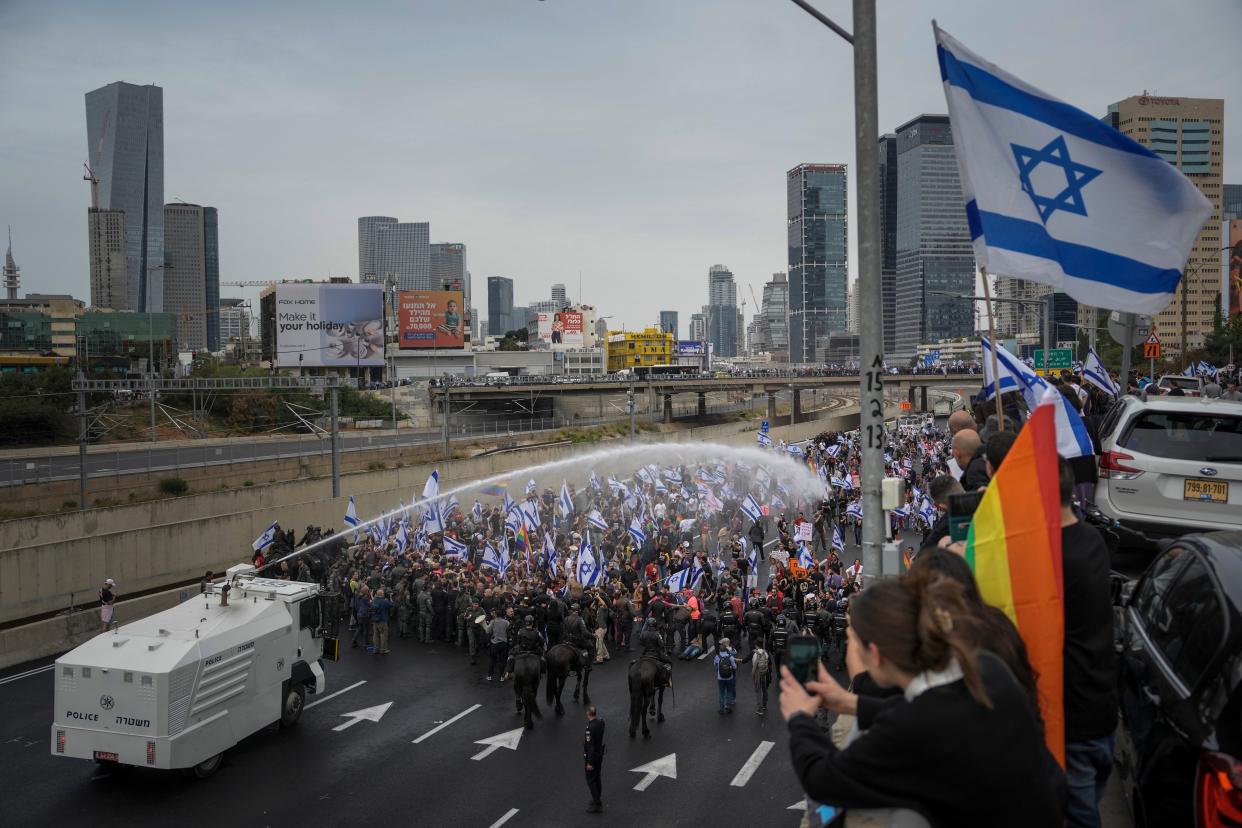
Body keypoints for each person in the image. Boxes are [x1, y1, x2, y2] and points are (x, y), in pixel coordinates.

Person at [780, 572, 1061, 827]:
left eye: (853, 638)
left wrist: (799, 719)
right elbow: (930, 712)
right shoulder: (987, 668)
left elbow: (823, 779)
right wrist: (848, 702)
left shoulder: (909, 728)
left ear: (875, 654)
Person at [1058, 457, 1118, 828]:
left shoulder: (1052, 557)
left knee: (1081, 818)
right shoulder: (1091, 539)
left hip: (1072, 720)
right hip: (1102, 709)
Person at [583, 705, 606, 814]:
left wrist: (589, 762)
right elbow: (601, 720)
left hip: (593, 757)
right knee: (597, 777)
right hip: (600, 755)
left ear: (588, 714)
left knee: (591, 780)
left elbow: (590, 747)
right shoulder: (601, 722)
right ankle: (597, 797)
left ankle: (597, 804)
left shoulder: (589, 728)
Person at [486, 609, 511, 682]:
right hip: (503, 643)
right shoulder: (507, 622)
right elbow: (509, 632)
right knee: (502, 661)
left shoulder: (493, 621)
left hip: (495, 643)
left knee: (492, 660)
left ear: (495, 615)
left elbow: (488, 631)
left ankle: (489, 676)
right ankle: (502, 677)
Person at [714, 638, 738, 714]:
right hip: (729, 677)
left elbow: (715, 665)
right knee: (729, 692)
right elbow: (735, 667)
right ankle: (728, 707)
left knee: (721, 693)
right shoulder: (730, 656)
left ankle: (721, 709)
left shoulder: (717, 657)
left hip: (720, 678)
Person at [370, 588, 394, 654]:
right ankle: (383, 649)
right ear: (382, 594)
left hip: (375, 620)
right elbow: (392, 605)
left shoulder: (374, 600)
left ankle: (375, 649)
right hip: (382, 621)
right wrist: (391, 597)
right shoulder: (384, 601)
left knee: (375, 635)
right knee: (383, 635)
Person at [751, 641, 772, 715]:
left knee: (758, 691)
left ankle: (759, 709)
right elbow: (768, 662)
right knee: (764, 688)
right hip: (764, 673)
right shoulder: (765, 653)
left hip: (758, 673)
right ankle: (764, 704)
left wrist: (753, 674)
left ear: (756, 645)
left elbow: (754, 664)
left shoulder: (755, 654)